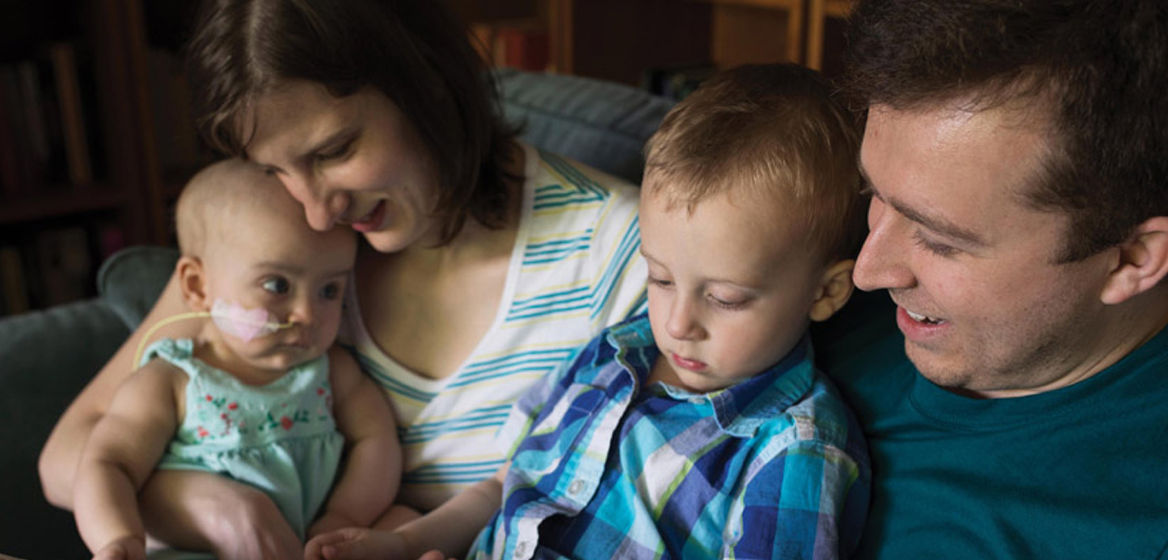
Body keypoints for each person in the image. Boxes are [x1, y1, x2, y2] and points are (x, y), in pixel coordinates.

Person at [39, 0, 647, 556]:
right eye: (275, 169)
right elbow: (67, 457)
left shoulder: (626, 260)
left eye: (333, 152)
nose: (316, 212)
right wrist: (213, 505)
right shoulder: (274, 248)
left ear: (425, 83)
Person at [302, 63, 872, 560]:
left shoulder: (794, 450)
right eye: (661, 278)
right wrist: (402, 545)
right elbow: (509, 484)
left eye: (724, 298)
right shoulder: (615, 352)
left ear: (826, 293)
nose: (676, 324)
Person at [813, 0, 1168, 558]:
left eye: (941, 240)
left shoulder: (1135, 527)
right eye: (873, 195)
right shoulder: (808, 282)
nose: (866, 273)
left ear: (1132, 259)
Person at [71, 159, 402, 559]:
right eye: (277, 285)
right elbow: (109, 463)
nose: (308, 315)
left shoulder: (330, 372)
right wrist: (118, 538)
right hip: (198, 550)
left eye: (329, 291)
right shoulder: (172, 380)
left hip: (311, 546)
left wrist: (345, 513)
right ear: (197, 286)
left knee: (404, 520)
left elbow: (377, 440)